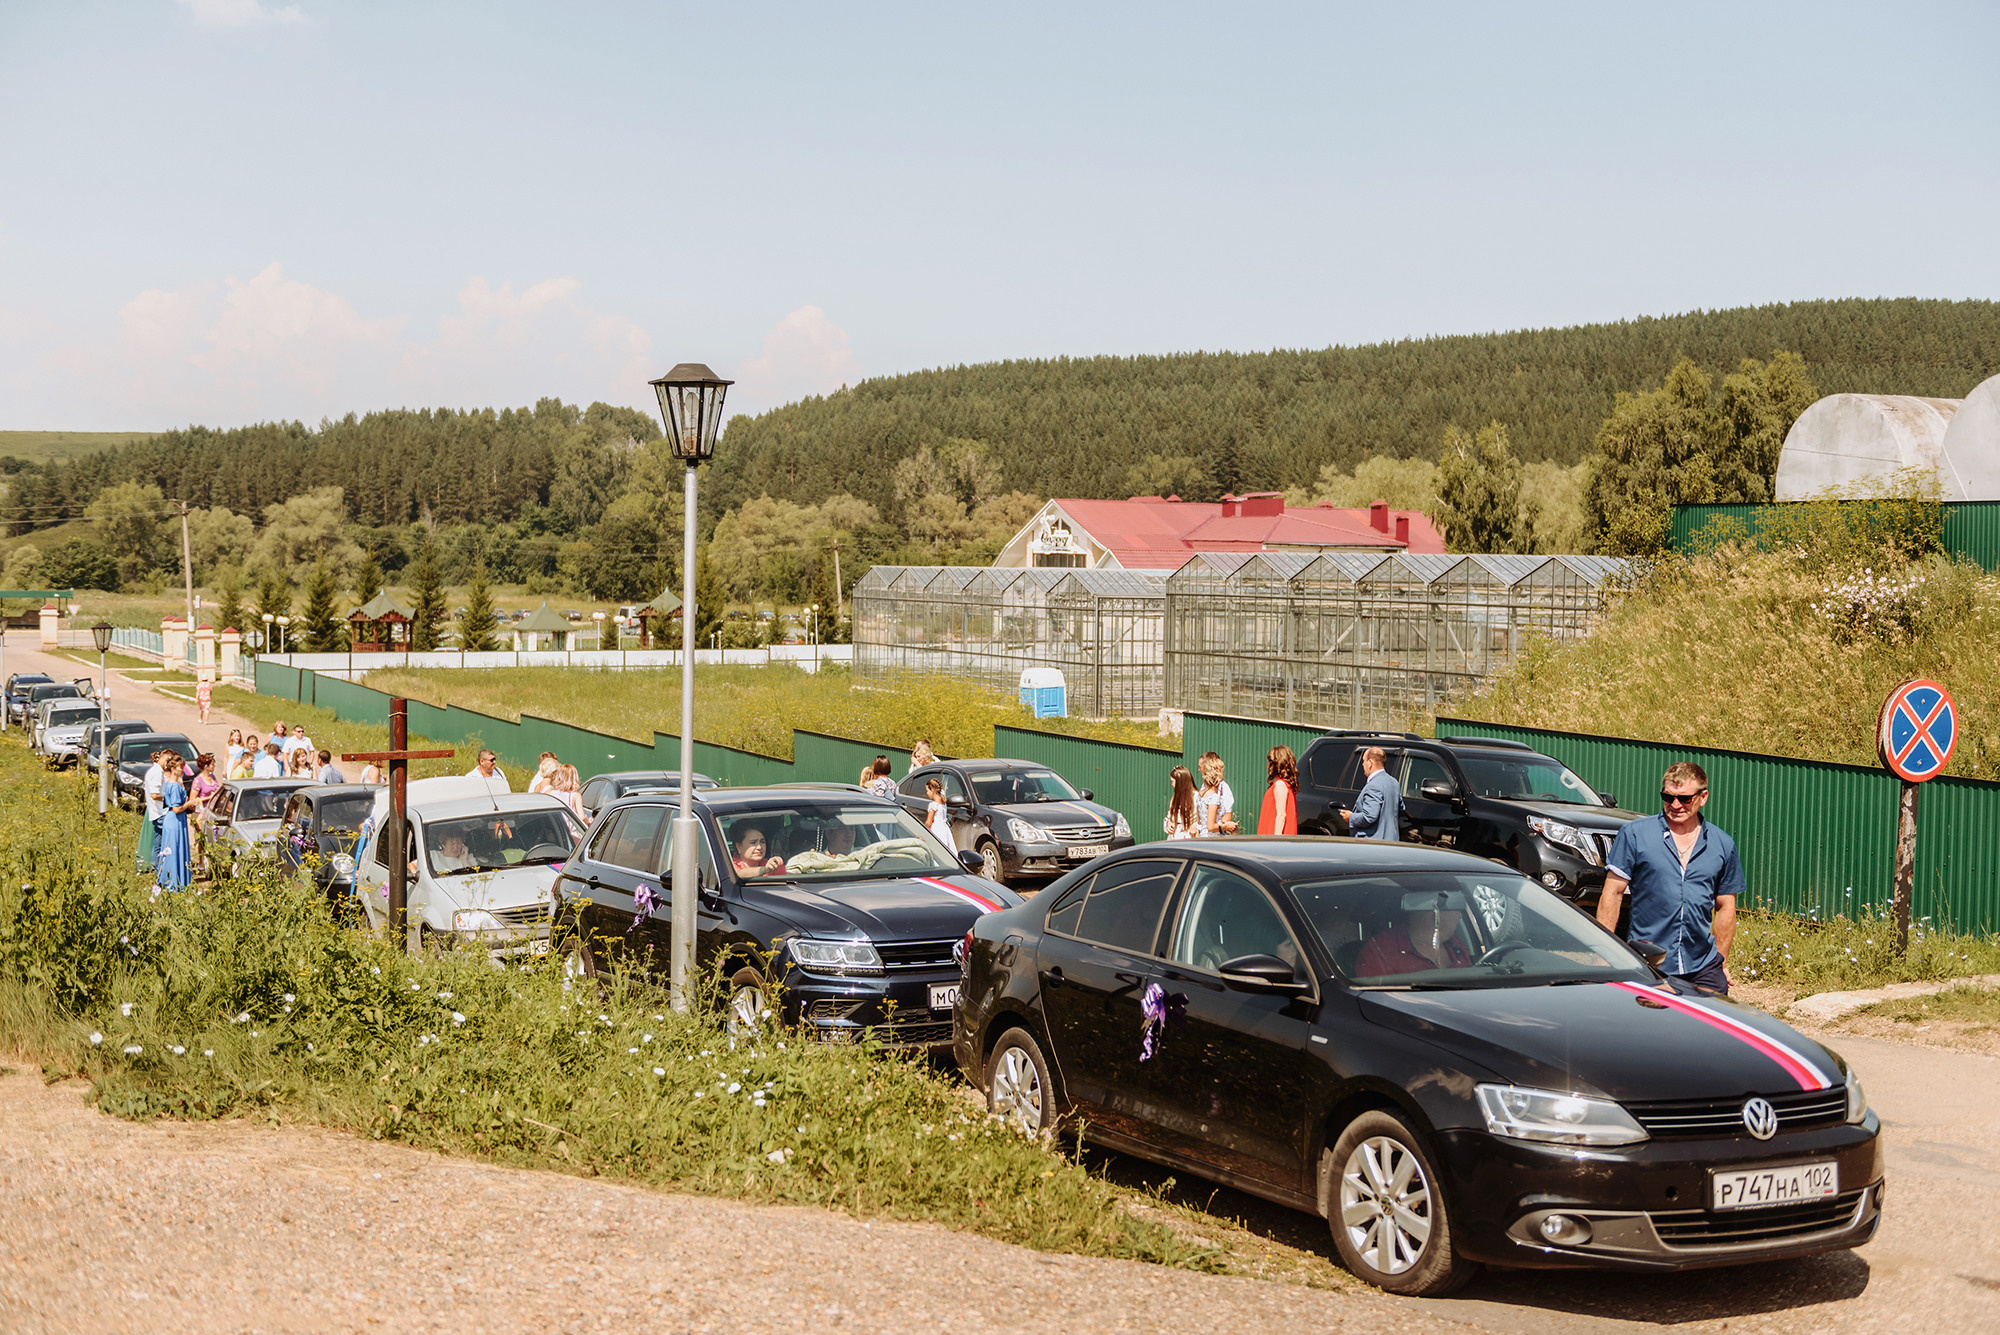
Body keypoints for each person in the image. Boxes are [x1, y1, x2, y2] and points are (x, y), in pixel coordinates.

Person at [1598, 761, 1743, 995]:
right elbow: (1612, 893)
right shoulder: (1635, 834)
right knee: (1657, 1026)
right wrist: (1604, 952)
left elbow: (1726, 906)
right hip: (1649, 960)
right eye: (1668, 797)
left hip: (1702, 963)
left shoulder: (1722, 844)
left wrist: (1721, 961)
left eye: (1685, 799)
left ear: (1703, 797)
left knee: (1712, 1025)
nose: (1675, 805)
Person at [1355, 895, 1472, 977]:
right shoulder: (1380, 952)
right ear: (1436, 914)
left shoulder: (1455, 944)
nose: (1460, 915)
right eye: (1455, 909)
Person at [1340, 746, 1403, 842]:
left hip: (1373, 845)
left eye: (1364, 761)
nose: (1362, 764)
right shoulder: (1394, 782)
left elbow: (1369, 817)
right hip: (1392, 842)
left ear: (1370, 763)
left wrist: (1351, 817)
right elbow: (1401, 808)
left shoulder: (1374, 785)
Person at [155, 754, 196, 891]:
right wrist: (188, 803)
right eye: (180, 768)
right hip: (174, 819)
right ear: (173, 769)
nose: (183, 770)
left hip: (176, 819)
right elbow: (177, 808)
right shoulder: (173, 785)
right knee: (174, 849)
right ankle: (172, 880)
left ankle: (176, 878)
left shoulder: (173, 783)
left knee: (177, 848)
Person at [188, 753, 221, 878]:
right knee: (202, 839)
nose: (214, 766)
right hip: (202, 813)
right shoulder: (198, 781)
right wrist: (209, 797)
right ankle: (202, 862)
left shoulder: (213, 777)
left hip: (213, 811)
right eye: (212, 764)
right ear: (206, 766)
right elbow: (193, 799)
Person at [1257, 745, 1298, 835]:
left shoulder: (1280, 784)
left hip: (1274, 836)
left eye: (1271, 761)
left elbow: (1281, 815)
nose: (1268, 765)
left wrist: (1275, 840)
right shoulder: (1287, 785)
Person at [137, 750, 167, 872]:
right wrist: (168, 797)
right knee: (163, 843)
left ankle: (155, 868)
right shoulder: (157, 773)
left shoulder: (153, 771)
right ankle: (159, 868)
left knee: (157, 841)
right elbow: (155, 795)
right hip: (160, 812)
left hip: (155, 812)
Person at [1195, 752, 1237, 837]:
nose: (1199, 770)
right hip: (1213, 837)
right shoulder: (1213, 796)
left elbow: (1199, 820)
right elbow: (1210, 826)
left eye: (1201, 767)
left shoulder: (1202, 792)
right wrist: (1227, 826)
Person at [1163, 765, 1197, 840]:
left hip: (1189, 840)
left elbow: (1202, 820)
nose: (1172, 784)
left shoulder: (1196, 797)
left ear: (1180, 782)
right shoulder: (1175, 797)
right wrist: (1168, 823)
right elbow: (1169, 816)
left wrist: (1195, 826)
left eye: (1173, 781)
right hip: (1174, 839)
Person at [924, 776, 953, 848]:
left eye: (927, 790)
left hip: (936, 829)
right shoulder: (943, 803)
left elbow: (929, 822)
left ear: (932, 790)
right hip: (944, 828)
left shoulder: (933, 805)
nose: (927, 793)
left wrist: (923, 829)